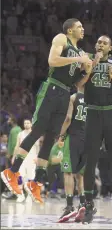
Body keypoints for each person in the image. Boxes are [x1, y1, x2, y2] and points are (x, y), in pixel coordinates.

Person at [1, 18, 92, 204]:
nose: (83, 29)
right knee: (38, 130)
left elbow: (77, 83)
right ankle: (12, 171)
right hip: (52, 88)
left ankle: (37, 182)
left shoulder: (80, 52)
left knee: (51, 137)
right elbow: (52, 60)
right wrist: (78, 59)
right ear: (69, 30)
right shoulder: (61, 39)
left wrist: (87, 69)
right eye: (79, 27)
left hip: (66, 92)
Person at [76, 35, 112, 225]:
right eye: (99, 42)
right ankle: (89, 205)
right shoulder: (86, 59)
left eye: (105, 42)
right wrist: (91, 68)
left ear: (110, 47)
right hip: (92, 114)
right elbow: (78, 85)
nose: (101, 44)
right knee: (90, 161)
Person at [58, 85, 87, 223]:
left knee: (68, 172)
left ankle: (69, 205)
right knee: (81, 175)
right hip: (87, 140)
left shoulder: (73, 97)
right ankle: (83, 204)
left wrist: (61, 135)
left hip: (73, 138)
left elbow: (68, 118)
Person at [12, 119, 40, 203]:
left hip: (32, 158)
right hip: (22, 158)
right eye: (25, 123)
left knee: (31, 177)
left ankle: (30, 195)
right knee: (20, 176)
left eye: (28, 123)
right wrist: (14, 157)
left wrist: (37, 157)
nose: (26, 124)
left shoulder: (35, 134)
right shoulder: (20, 134)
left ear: (31, 124)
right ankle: (21, 195)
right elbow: (17, 146)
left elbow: (38, 147)